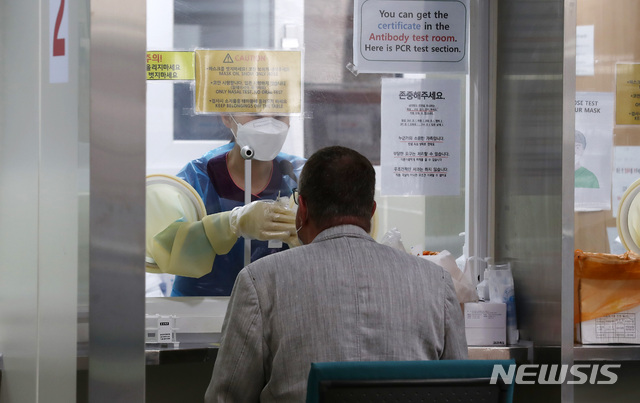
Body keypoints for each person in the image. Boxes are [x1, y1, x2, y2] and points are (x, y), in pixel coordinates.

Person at [205, 146, 468, 403]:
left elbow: (226, 396)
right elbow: (461, 390)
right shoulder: (435, 282)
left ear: (303, 209)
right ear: (371, 211)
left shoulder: (260, 280)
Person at [146, 114, 305, 296]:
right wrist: (231, 223)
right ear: (227, 117)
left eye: (278, 116)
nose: (268, 125)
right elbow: (161, 246)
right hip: (199, 312)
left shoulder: (303, 177)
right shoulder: (197, 178)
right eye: (256, 114)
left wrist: (306, 240)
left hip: (278, 308)